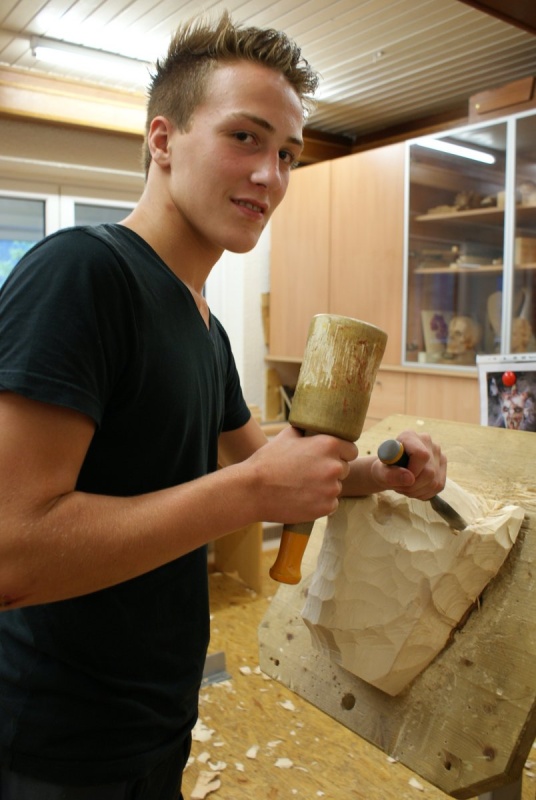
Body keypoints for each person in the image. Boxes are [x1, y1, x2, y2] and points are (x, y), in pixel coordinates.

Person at [0, 12, 447, 800]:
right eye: (245, 137)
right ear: (163, 140)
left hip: (155, 720)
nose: (270, 175)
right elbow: (13, 552)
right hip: (51, 745)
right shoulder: (83, 274)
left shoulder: (201, 322)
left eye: (288, 154)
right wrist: (251, 491)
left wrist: (373, 473)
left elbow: (262, 461)